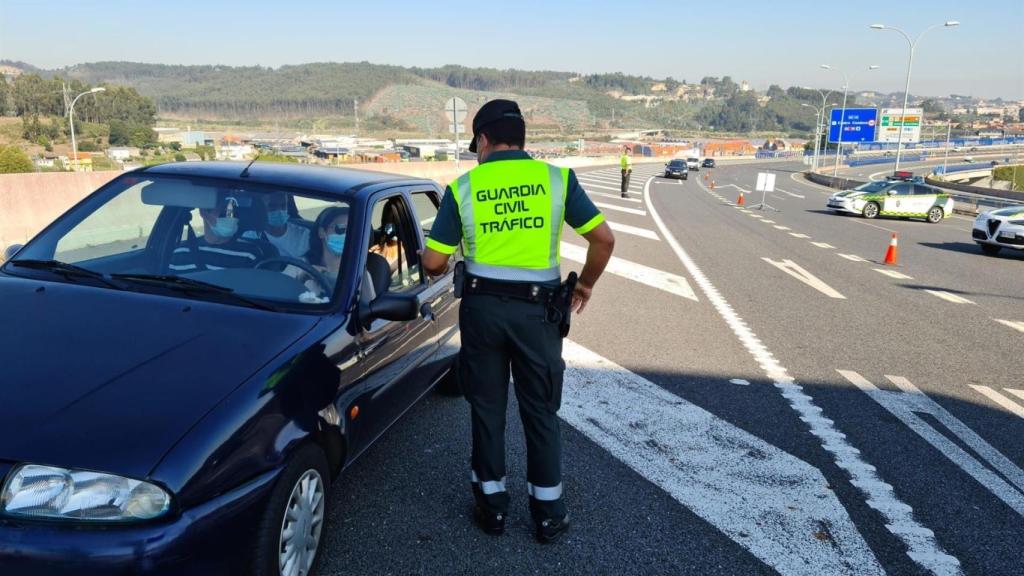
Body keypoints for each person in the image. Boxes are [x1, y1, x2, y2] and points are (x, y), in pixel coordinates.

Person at [421, 99, 615, 544]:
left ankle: (492, 511)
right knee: (540, 411)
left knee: (487, 410)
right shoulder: (557, 179)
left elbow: (434, 262)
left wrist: (427, 257)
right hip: (538, 316)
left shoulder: (465, 187)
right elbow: (603, 240)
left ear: (484, 140)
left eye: (477, 146)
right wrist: (584, 285)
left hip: (482, 313)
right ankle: (548, 514)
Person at [169, 194, 275, 272]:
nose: (230, 218)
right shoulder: (181, 252)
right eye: (224, 213)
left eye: (232, 213)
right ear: (204, 212)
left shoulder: (250, 254)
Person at [242, 192, 311, 260]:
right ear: (260, 209)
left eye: (283, 206)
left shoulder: (304, 235)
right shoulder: (250, 237)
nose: (279, 210)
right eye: (272, 206)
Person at [300, 205, 350, 297]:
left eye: (351, 231)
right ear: (322, 232)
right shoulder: (299, 265)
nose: (346, 236)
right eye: (341, 229)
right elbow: (278, 293)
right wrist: (302, 278)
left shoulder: (357, 271)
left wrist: (364, 277)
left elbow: (373, 309)